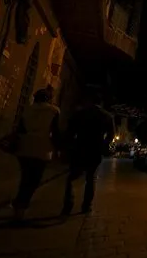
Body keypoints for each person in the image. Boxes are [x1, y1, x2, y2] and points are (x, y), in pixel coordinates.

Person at [61, 91, 115, 215]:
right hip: (95, 150)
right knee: (91, 179)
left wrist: (68, 146)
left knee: (72, 177)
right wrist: (103, 144)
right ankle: (86, 206)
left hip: (79, 148)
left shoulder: (79, 113)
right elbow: (111, 135)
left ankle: (68, 205)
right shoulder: (106, 116)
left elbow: (69, 132)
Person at [12, 88, 61, 221]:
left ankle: (19, 204)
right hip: (42, 148)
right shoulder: (54, 111)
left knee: (25, 176)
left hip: (24, 146)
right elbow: (55, 132)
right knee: (35, 178)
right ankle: (21, 205)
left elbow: (20, 129)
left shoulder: (27, 110)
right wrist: (58, 149)